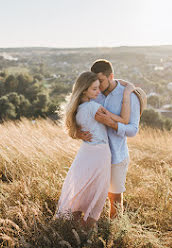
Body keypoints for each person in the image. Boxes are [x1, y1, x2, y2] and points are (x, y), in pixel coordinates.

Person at [56, 71, 135, 228]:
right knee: (98, 192)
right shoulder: (94, 107)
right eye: (94, 89)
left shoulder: (75, 109)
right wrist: (127, 93)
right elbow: (125, 120)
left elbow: (72, 130)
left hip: (85, 153)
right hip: (99, 153)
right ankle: (87, 230)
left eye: (98, 88)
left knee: (81, 188)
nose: (98, 92)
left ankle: (73, 227)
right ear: (84, 90)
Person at [77, 59, 143, 219]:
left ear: (111, 76)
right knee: (87, 196)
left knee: (114, 198)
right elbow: (79, 116)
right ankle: (86, 229)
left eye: (101, 81)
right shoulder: (92, 93)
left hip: (116, 155)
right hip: (94, 155)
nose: (97, 86)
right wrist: (78, 133)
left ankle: (113, 231)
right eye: (95, 81)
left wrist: (111, 124)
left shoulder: (128, 96)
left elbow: (133, 130)